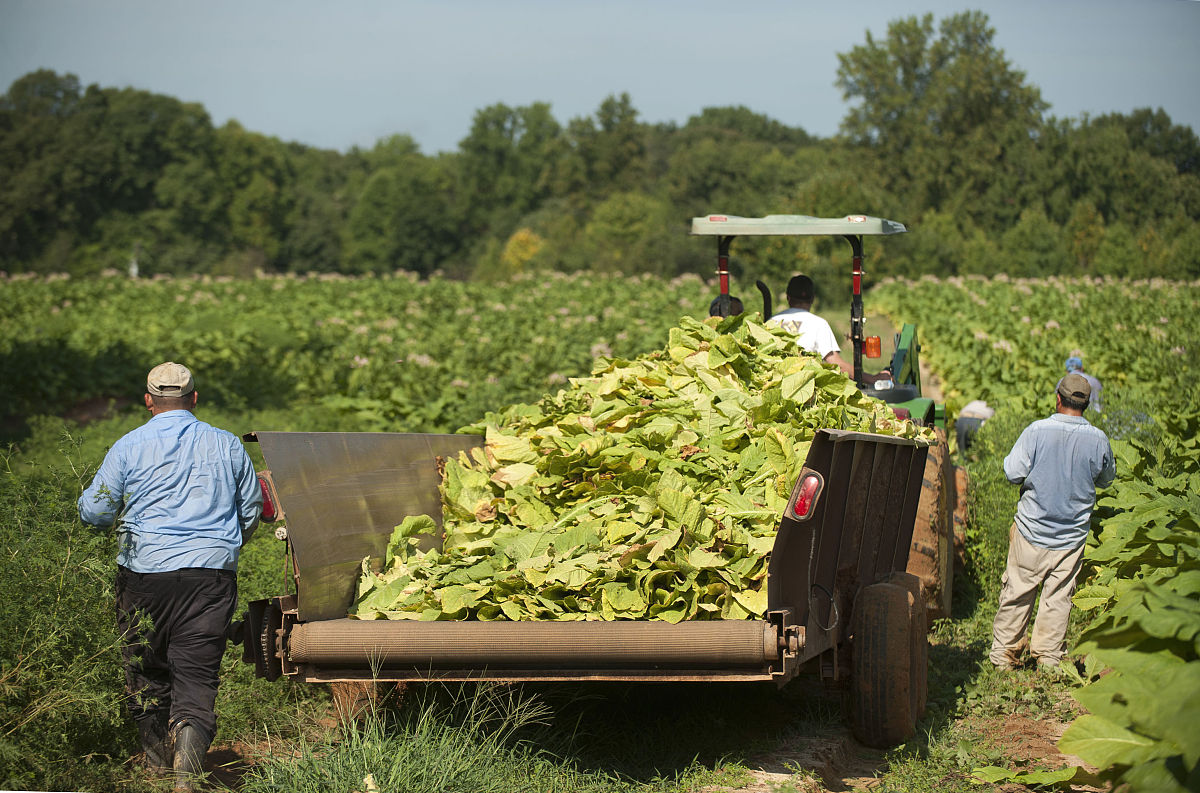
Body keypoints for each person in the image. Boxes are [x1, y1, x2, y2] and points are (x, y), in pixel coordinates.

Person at [78, 362, 261, 790]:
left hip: (143, 577)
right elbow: (250, 511)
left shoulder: (128, 446)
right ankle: (186, 776)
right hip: (210, 577)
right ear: (194, 398)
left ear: (148, 401)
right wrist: (221, 548)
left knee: (146, 670)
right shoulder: (227, 444)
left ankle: (157, 767)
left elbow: (96, 512)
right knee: (197, 675)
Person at [989, 373, 1115, 671]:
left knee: (1018, 591)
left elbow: (1012, 472)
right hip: (1071, 536)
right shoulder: (1098, 439)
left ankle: (1004, 657)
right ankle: (1047, 658)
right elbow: (1107, 479)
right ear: (1086, 404)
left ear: (1058, 398)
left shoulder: (1036, 431)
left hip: (1032, 530)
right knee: (1058, 598)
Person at [766, 274, 889, 383]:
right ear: (812, 299)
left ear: (788, 297)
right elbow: (837, 365)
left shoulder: (771, 321)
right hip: (804, 388)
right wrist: (873, 379)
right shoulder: (819, 324)